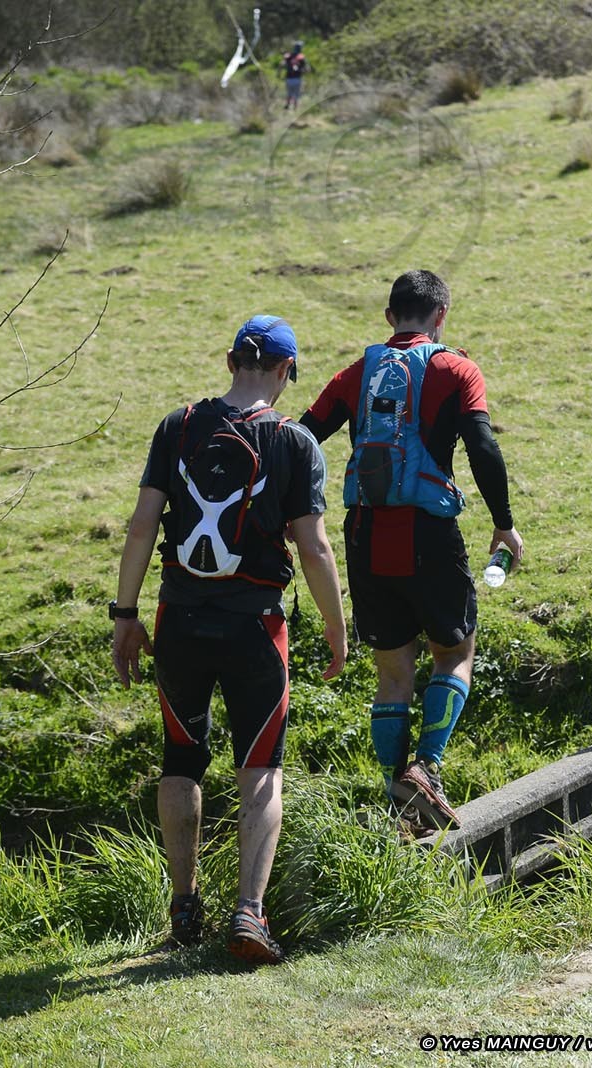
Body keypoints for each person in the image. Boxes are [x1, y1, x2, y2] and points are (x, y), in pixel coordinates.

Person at [112, 315, 347, 966]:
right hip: (256, 628)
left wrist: (125, 614)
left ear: (228, 362)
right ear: (286, 371)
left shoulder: (178, 426)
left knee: (181, 759)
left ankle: (184, 906)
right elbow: (314, 548)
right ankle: (249, 913)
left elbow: (141, 526)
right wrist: (335, 627)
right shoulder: (295, 442)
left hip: (178, 621)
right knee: (261, 769)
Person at [299, 270, 522, 830]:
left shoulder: (355, 373)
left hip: (365, 532)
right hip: (428, 530)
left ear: (389, 316)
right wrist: (504, 524)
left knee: (393, 673)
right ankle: (428, 766)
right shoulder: (456, 369)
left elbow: (303, 438)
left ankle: (399, 802)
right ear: (441, 315)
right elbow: (482, 444)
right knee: (455, 653)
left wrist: (284, 511)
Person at [282, 42, 308, 110]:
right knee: (296, 94)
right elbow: (306, 68)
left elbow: (283, 64)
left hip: (289, 78)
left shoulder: (288, 56)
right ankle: (295, 107)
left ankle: (288, 105)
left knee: (289, 93)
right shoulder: (301, 57)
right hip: (297, 78)